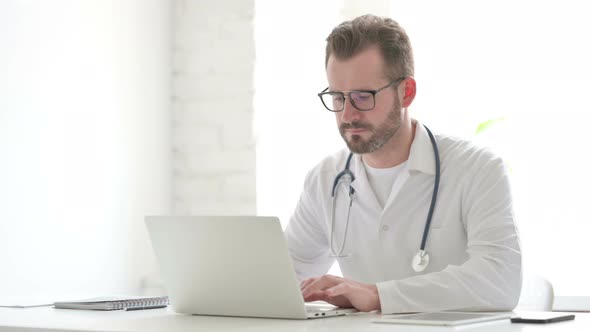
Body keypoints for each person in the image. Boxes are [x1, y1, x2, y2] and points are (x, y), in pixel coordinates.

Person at [284, 14, 522, 314]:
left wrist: (379, 296)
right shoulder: (325, 179)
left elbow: (500, 280)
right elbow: (283, 278)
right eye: (337, 97)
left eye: (362, 96)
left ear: (406, 92)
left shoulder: (477, 169)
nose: (347, 115)